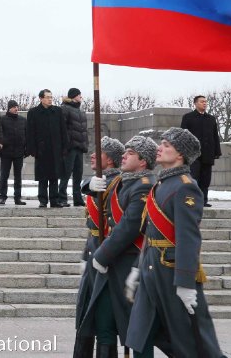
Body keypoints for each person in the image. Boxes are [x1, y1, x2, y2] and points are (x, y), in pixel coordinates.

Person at [125, 128, 223, 358]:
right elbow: (151, 233)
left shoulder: (185, 186)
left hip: (170, 272)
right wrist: (138, 269)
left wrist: (186, 282)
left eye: (167, 145)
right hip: (152, 270)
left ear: (180, 154)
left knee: (189, 343)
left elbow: (188, 238)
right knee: (141, 336)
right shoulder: (161, 184)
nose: (160, 148)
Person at [77, 136, 158, 357]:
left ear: (143, 161)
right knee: (104, 324)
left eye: (130, 152)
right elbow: (101, 197)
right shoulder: (125, 181)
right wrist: (87, 184)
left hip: (129, 260)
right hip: (112, 262)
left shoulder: (144, 185)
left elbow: (127, 228)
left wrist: (100, 257)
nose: (124, 154)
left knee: (137, 331)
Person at [73, 136, 124, 357]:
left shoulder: (118, 183)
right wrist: (86, 255)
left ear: (111, 160)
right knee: (84, 313)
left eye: (99, 152)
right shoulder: (97, 181)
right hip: (94, 249)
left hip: (106, 255)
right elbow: (93, 226)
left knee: (103, 319)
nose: (93, 154)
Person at [26, 89, 68, 208]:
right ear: (41, 98)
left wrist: (65, 146)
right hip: (41, 149)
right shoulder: (33, 112)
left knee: (54, 176)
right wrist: (32, 149)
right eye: (47, 97)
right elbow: (29, 132)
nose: (50, 99)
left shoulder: (57, 111)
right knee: (43, 176)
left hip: (56, 148)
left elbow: (63, 130)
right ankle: (43, 200)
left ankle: (54, 200)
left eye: (51, 97)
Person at [180, 95, 221, 207]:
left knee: (205, 179)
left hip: (207, 154)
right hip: (193, 155)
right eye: (202, 101)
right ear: (195, 103)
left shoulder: (211, 119)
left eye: (206, 102)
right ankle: (192, 200)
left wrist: (217, 152)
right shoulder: (188, 117)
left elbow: (215, 136)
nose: (205, 103)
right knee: (193, 178)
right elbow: (183, 136)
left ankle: (203, 201)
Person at [59, 87, 89, 207]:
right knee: (66, 173)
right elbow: (62, 128)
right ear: (73, 96)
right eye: (79, 95)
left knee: (78, 174)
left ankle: (78, 199)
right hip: (70, 147)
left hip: (79, 148)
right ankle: (62, 198)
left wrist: (85, 144)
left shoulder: (81, 111)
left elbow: (83, 131)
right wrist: (65, 145)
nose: (81, 97)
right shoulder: (65, 109)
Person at [0, 100, 27, 206]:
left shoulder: (23, 120)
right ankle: (2, 197)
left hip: (19, 152)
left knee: (18, 176)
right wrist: (2, 144)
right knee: (4, 176)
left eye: (17, 107)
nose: (16, 109)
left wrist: (26, 149)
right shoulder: (2, 120)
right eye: (14, 107)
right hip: (6, 152)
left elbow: (26, 135)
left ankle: (17, 198)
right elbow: (0, 134)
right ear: (9, 108)